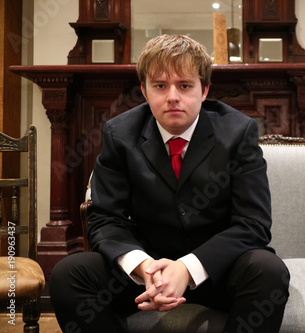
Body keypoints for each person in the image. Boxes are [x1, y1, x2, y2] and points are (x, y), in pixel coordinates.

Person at [49, 34, 290, 332]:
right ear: (145, 91)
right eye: (160, 86)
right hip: (146, 272)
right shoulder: (119, 134)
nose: (172, 96)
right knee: (67, 274)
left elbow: (253, 224)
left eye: (185, 85)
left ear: (204, 91)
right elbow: (105, 219)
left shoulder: (238, 133)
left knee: (269, 272)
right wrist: (145, 268)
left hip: (216, 270)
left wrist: (187, 269)